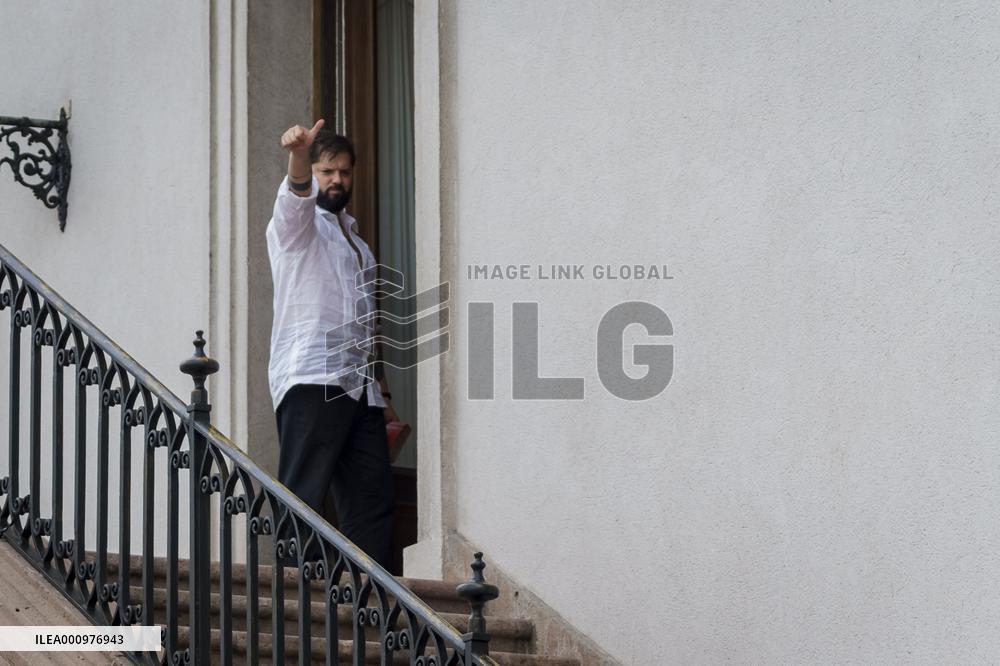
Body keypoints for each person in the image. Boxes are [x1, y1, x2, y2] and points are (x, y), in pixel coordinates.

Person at [266, 119, 397, 568]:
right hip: (312, 376)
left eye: (343, 171)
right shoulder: (297, 229)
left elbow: (365, 322)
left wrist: (382, 390)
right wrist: (299, 157)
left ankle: (372, 601)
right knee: (304, 491)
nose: (337, 179)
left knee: (373, 496)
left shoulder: (358, 242)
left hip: (360, 388)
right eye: (327, 171)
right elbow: (295, 200)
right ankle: (286, 598)